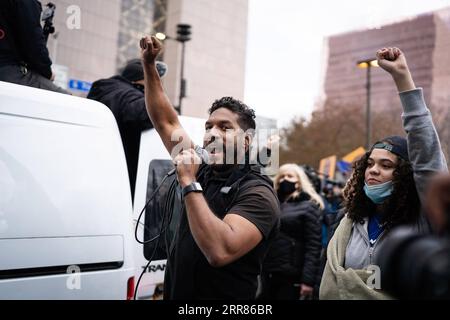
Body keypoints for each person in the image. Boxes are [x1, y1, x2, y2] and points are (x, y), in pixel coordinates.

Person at [139, 35, 280, 299]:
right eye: (208, 127)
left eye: (225, 127)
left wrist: (189, 184)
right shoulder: (202, 167)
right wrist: (148, 65)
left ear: (247, 141)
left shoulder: (258, 193)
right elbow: (166, 122)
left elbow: (220, 250)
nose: (211, 134)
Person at [319, 47, 448, 300]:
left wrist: (403, 79)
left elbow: (427, 157)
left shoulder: (422, 221)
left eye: (386, 166)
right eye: (370, 164)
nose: (374, 170)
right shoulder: (349, 221)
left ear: (405, 176)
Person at [87, 59, 167, 200]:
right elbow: (153, 113)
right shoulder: (129, 97)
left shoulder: (103, 91)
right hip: (122, 179)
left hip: (94, 171)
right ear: (141, 82)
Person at [259, 164, 323, 300]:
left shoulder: (309, 206)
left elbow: (313, 246)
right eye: (281, 176)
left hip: (292, 274)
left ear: (299, 181)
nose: (284, 180)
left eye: (289, 176)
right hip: (268, 270)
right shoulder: (273, 203)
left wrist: (308, 281)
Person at [0, 0, 67, 93]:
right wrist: (48, 72)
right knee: (68, 100)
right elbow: (34, 45)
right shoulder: (25, 3)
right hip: (8, 70)